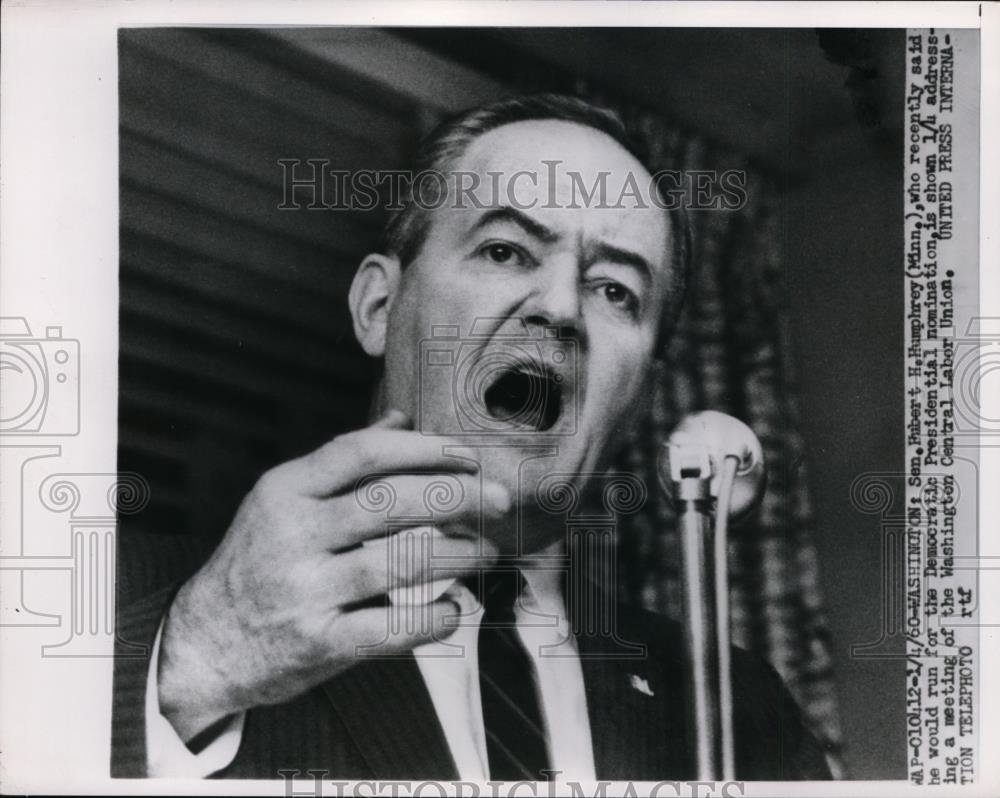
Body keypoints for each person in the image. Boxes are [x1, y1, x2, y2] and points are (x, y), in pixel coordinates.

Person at [112, 93, 833, 781]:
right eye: (505, 251)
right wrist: (198, 657)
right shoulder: (135, 606)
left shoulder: (741, 708)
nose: (559, 308)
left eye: (614, 290)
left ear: (640, 396)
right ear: (379, 306)